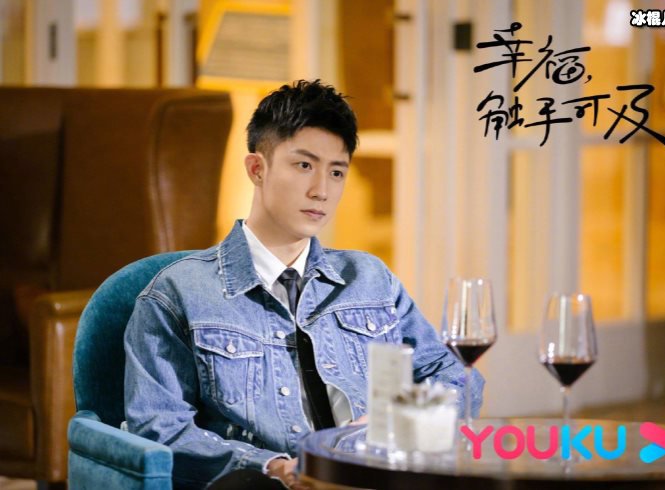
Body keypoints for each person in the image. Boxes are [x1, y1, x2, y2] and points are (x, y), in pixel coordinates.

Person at [124, 80, 484, 489]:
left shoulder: (370, 279)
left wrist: (392, 424)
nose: (321, 191)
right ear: (257, 169)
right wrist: (273, 467)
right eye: (304, 166)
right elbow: (160, 428)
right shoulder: (178, 294)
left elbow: (457, 376)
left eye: (336, 172)